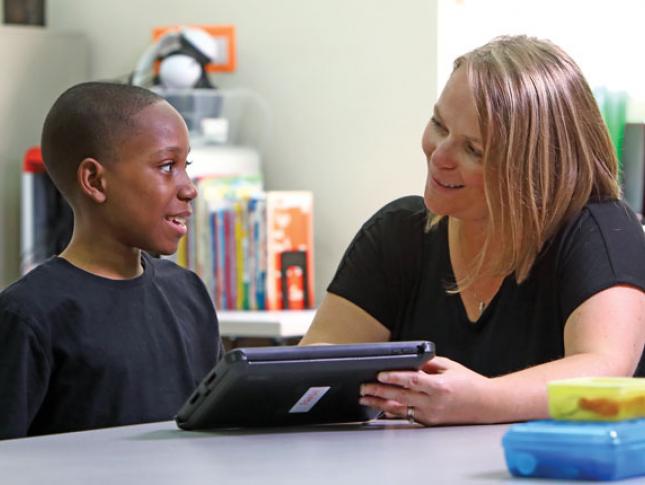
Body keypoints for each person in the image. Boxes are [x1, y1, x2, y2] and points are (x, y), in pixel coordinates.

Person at [300, 35, 645, 425]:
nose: (439, 154)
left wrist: (481, 399)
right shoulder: (397, 235)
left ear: (535, 167)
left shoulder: (600, 230)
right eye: (438, 124)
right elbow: (309, 368)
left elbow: (604, 369)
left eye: (474, 150)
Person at [0, 82, 222, 439]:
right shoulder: (28, 315)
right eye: (167, 166)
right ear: (94, 180)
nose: (188, 187)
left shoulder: (188, 292)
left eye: (186, 165)